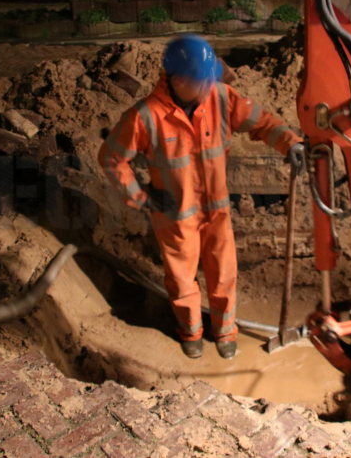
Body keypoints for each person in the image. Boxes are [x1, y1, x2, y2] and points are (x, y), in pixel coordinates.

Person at [98, 34, 305, 360]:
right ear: (179, 80)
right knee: (182, 280)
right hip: (174, 214)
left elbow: (263, 123)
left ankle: (224, 333)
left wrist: (290, 142)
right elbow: (111, 158)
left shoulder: (221, 98)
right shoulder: (146, 116)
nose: (211, 85)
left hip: (217, 210)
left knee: (224, 275)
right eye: (204, 79)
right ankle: (191, 333)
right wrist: (139, 197)